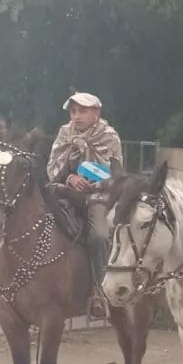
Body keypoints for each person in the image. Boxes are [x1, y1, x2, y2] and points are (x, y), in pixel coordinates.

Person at [46, 91, 123, 320]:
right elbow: (52, 167)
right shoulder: (64, 133)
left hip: (97, 196)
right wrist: (70, 179)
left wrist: (89, 176)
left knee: (99, 235)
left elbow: (116, 173)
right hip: (65, 192)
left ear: (96, 113)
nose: (77, 116)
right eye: (73, 111)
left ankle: (100, 291)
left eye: (83, 111)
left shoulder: (109, 136)